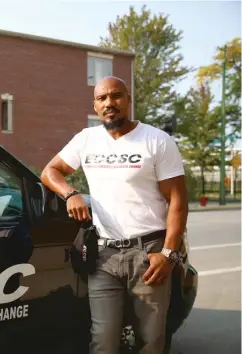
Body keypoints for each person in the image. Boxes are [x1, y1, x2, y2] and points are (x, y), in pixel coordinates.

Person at [40, 76, 188, 354]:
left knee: (151, 342)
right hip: (103, 257)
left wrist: (169, 254)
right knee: (103, 341)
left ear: (128, 100)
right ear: (95, 105)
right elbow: (50, 171)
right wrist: (71, 194)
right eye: (102, 98)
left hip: (148, 256)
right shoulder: (86, 140)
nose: (110, 103)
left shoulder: (156, 140)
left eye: (116, 96)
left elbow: (178, 200)